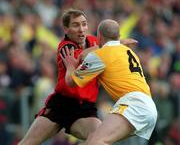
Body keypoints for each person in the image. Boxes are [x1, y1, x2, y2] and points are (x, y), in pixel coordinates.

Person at [18, 9, 137, 145]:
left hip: (85, 109)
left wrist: (112, 46)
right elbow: (82, 56)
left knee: (98, 139)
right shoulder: (65, 46)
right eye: (75, 25)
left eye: (84, 24)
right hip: (60, 105)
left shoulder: (94, 42)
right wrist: (116, 44)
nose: (81, 29)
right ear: (66, 29)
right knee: (28, 142)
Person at [61, 19, 157, 145]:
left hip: (133, 104)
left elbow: (71, 81)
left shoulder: (100, 56)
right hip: (149, 106)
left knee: (96, 142)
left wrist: (70, 67)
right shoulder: (128, 51)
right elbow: (92, 54)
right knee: (92, 139)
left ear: (99, 36)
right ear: (119, 36)